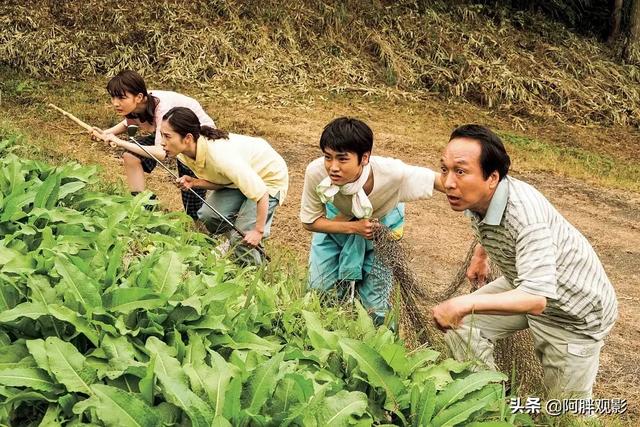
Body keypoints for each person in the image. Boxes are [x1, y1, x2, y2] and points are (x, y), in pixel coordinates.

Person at [432, 124, 618, 399]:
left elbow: (536, 299)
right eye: (445, 169)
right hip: (528, 283)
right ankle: (489, 402)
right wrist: (480, 256)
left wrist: (463, 302)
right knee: (463, 326)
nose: (448, 182)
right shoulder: (478, 197)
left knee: (566, 415)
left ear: (492, 177)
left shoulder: (524, 216)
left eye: (460, 171)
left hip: (572, 313)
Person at [300, 117, 444, 325]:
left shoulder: (392, 173)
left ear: (364, 157)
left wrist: (474, 193)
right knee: (320, 290)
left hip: (381, 224)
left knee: (375, 306)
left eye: (342, 159)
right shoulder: (316, 173)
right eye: (328, 157)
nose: (333, 167)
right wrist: (353, 227)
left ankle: (373, 345)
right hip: (339, 219)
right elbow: (310, 222)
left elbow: (436, 180)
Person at [159, 106, 288, 266]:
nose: (162, 142)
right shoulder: (184, 154)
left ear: (187, 138)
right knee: (209, 216)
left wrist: (258, 231)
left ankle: (253, 276)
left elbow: (261, 193)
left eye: (167, 136)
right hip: (239, 179)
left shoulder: (221, 156)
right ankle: (235, 245)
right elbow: (222, 179)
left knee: (242, 238)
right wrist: (194, 182)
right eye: (161, 135)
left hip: (267, 178)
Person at [91, 69, 214, 218]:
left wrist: (120, 142)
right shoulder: (135, 105)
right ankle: (141, 205)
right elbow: (127, 124)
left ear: (139, 97)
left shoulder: (163, 108)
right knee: (131, 156)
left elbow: (161, 153)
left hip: (193, 139)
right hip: (167, 135)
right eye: (113, 97)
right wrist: (106, 133)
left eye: (121, 98)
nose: (115, 103)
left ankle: (203, 230)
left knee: (191, 196)